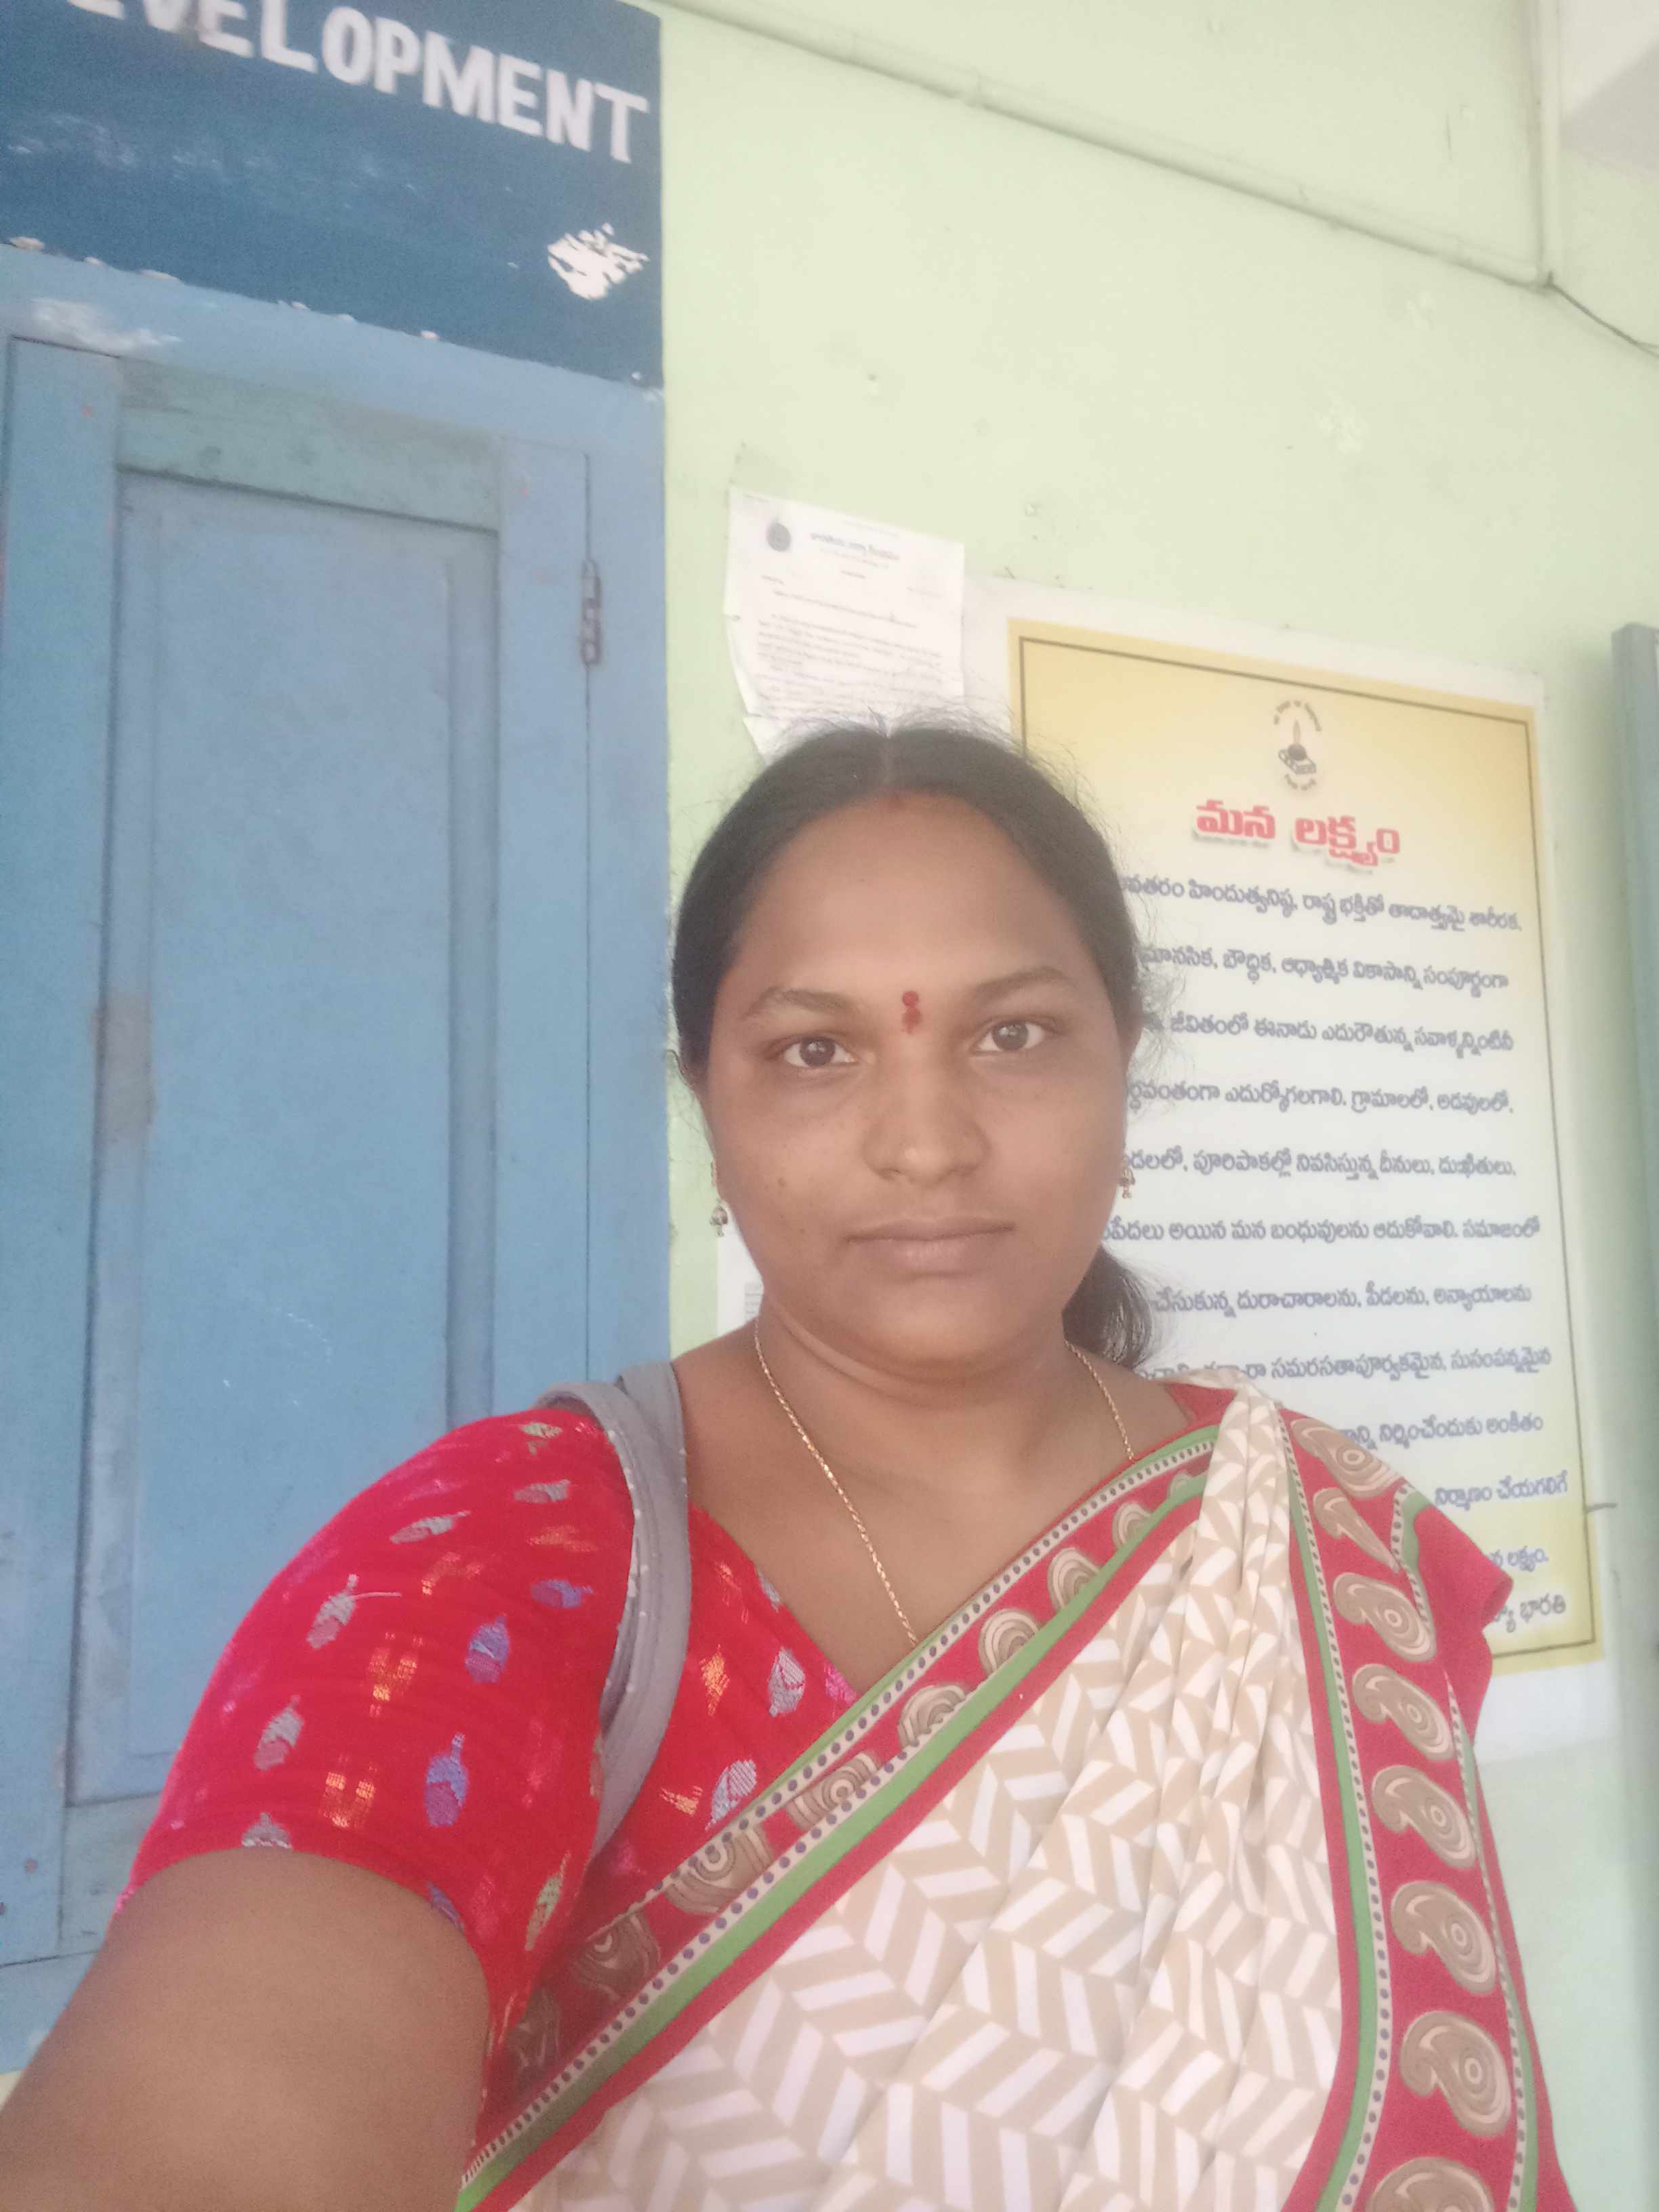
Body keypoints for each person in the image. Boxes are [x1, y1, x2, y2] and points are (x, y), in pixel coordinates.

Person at [0, 720, 1572, 2212]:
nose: (927, 1144)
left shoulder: (1315, 1534)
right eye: (817, 1051)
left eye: (1014, 1035)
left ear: (1124, 1061)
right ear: (708, 1100)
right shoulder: (507, 1557)